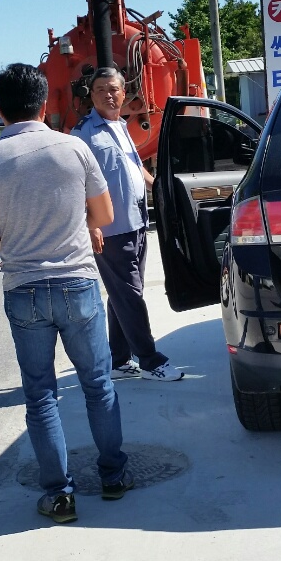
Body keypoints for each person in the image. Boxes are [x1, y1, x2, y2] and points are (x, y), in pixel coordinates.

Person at [0, 63, 134, 524]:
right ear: (43, 105)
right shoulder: (74, 148)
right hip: (78, 282)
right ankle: (114, 476)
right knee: (97, 384)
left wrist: (14, 244)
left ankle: (59, 495)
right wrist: (78, 229)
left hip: (24, 289)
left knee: (41, 396)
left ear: (0, 110)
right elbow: (105, 214)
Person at [72, 66, 184, 382]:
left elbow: (135, 168)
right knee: (130, 295)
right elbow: (75, 183)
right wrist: (90, 224)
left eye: (113, 89)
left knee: (123, 294)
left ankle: (119, 360)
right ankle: (150, 361)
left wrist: (161, 188)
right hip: (110, 229)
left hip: (136, 222)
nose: (108, 95)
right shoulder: (83, 134)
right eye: (100, 90)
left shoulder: (121, 126)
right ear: (91, 95)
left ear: (124, 93)